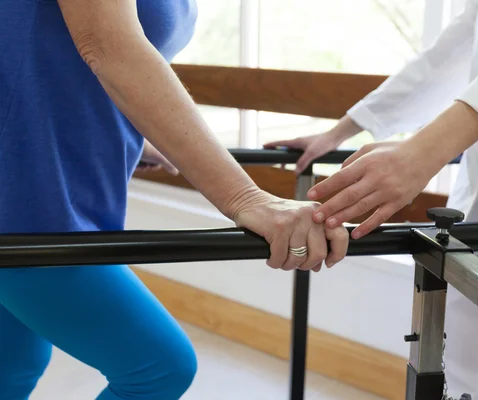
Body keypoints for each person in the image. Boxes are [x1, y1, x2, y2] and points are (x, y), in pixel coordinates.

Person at [0, 1, 348, 399]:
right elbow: (108, 48)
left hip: (47, 181)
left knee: (12, 367)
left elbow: (46, 57)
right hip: (27, 195)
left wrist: (120, 134)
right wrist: (247, 197)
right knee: (156, 369)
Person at [266, 0, 478, 399]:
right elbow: (446, 58)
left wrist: (421, 153)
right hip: (471, 229)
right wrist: (339, 133)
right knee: (456, 383)